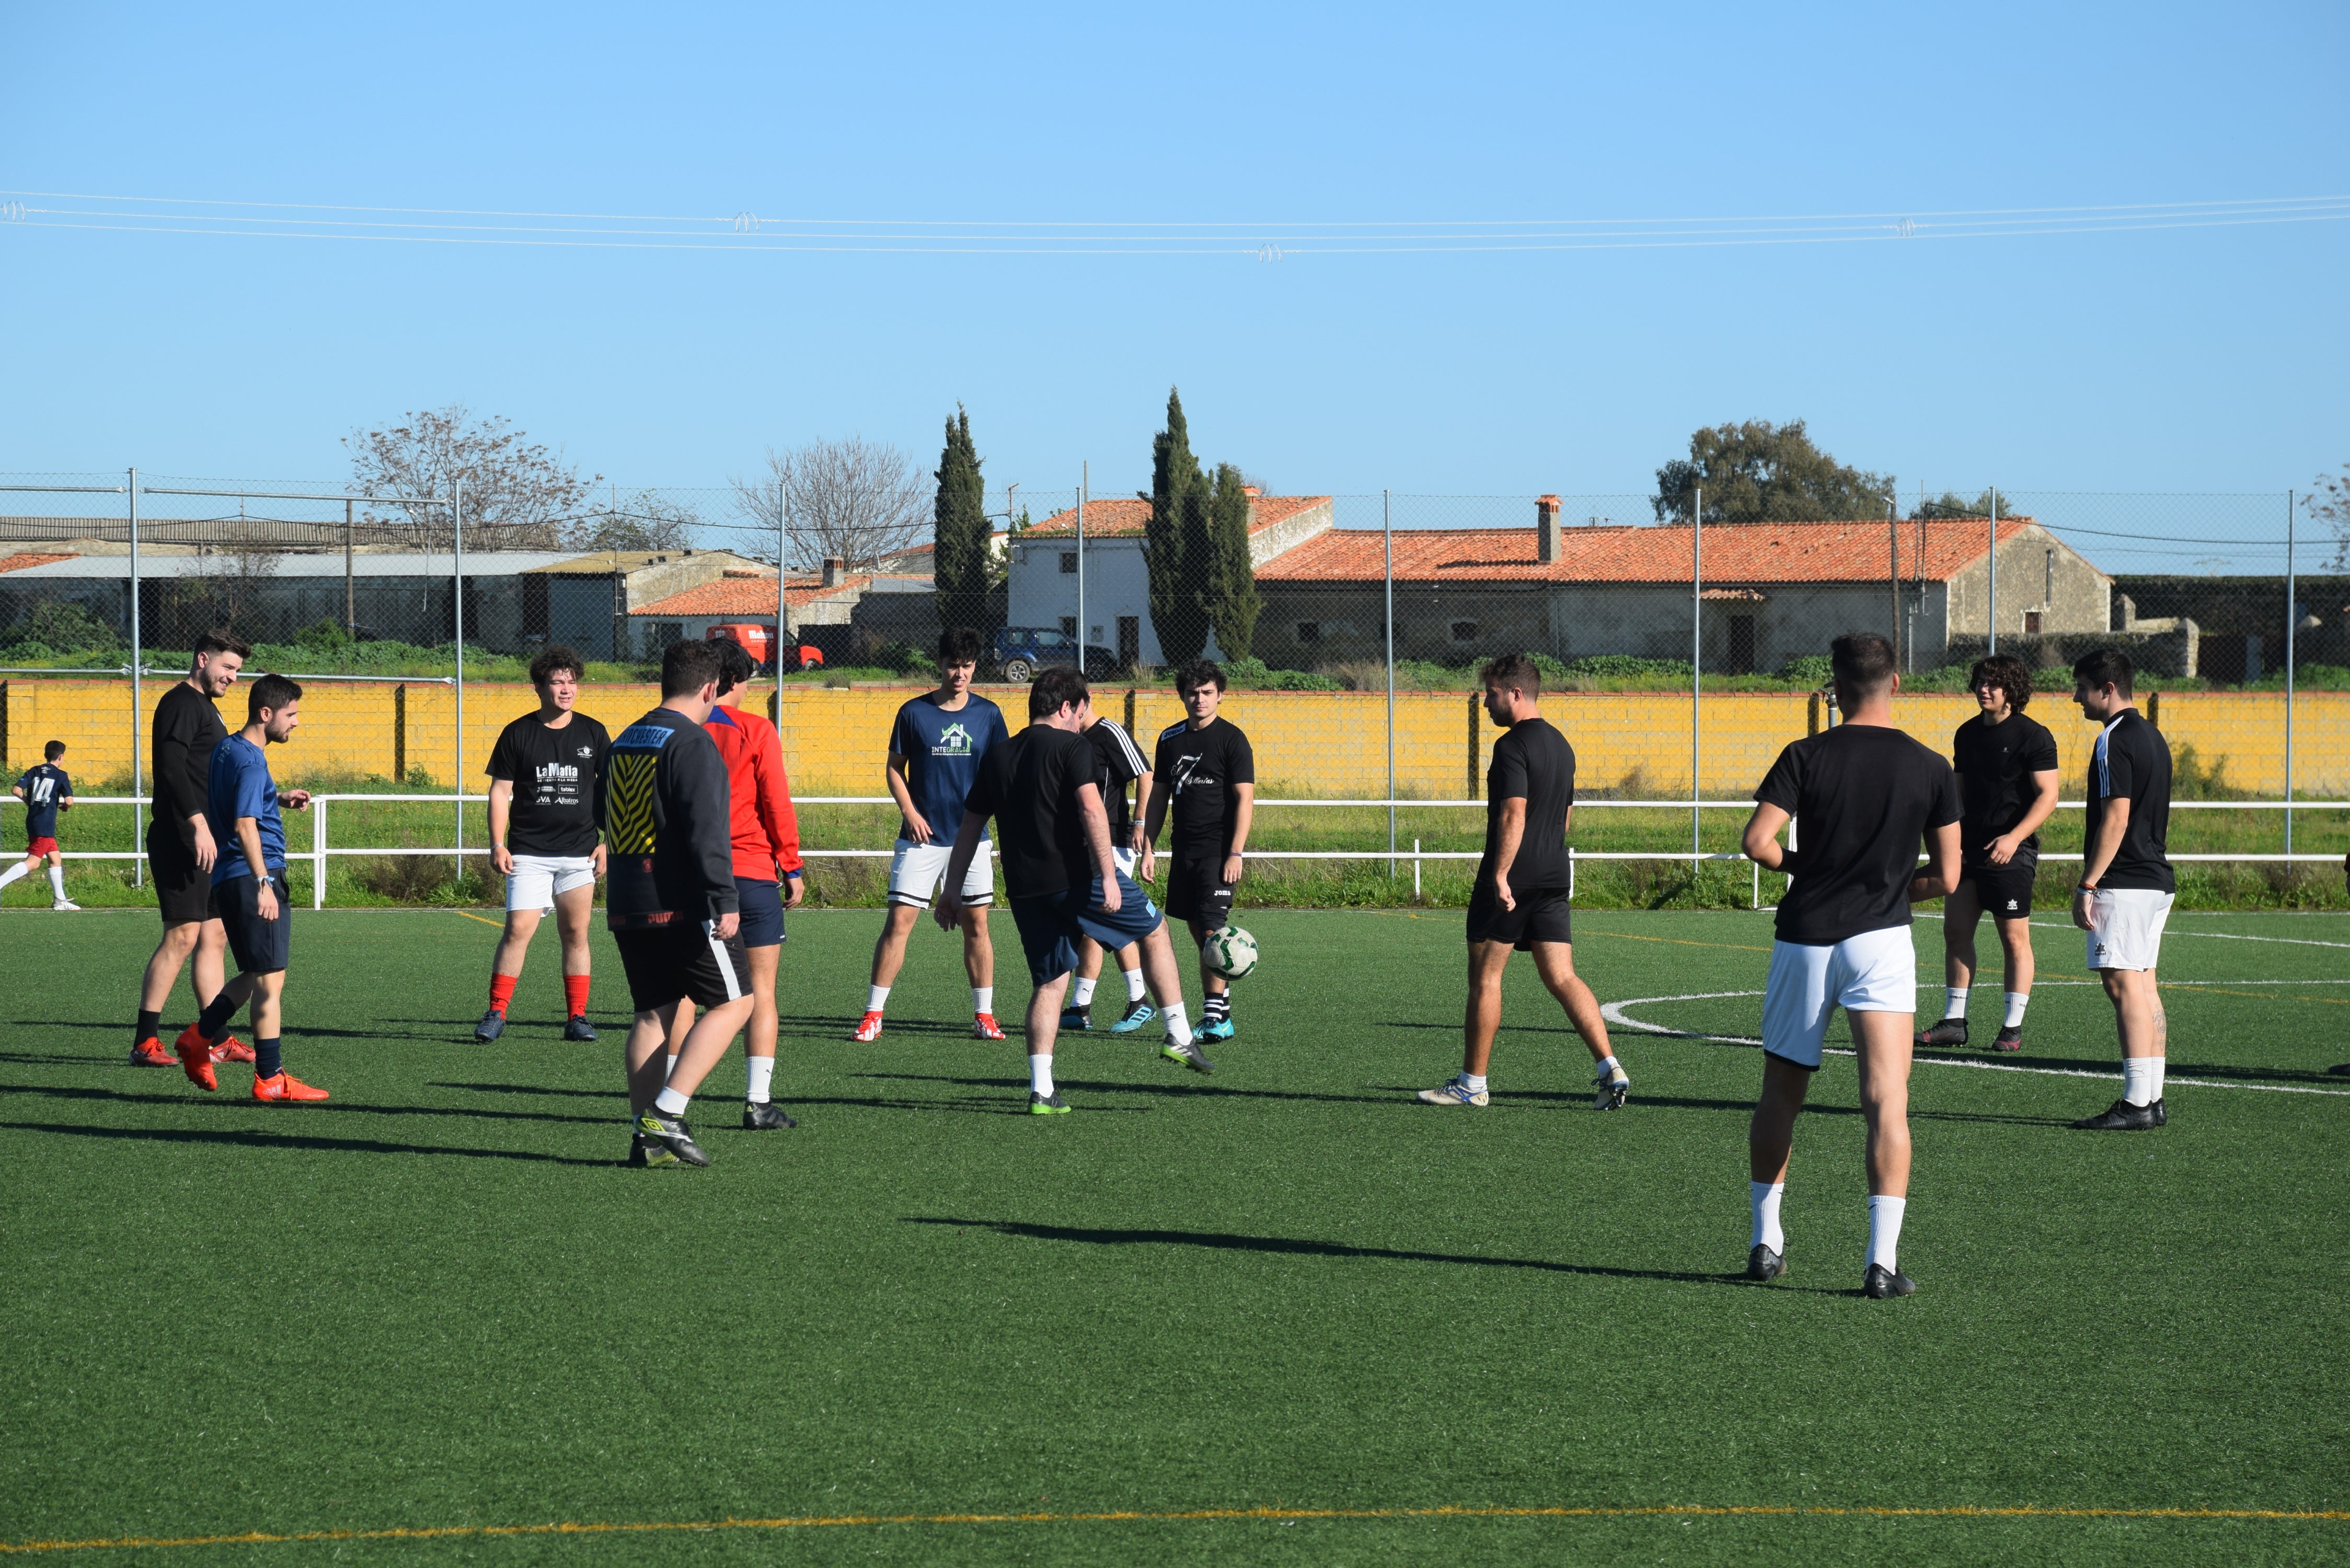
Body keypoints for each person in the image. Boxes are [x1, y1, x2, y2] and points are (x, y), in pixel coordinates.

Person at [1739, 632, 1960, 1299]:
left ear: (1833, 688)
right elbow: (1948, 876)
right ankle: (1880, 1264)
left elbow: (1757, 842)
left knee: (1780, 1092)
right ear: (1895, 683)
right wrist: (1888, 891)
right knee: (1886, 1100)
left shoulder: (1803, 754)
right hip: (1881, 941)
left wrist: (1804, 869)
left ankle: (1764, 1243)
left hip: (1804, 937)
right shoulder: (1930, 766)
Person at [935, 667, 1211, 1113]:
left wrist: (951, 891)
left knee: (1050, 984)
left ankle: (1042, 1091)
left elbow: (969, 827)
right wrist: (1109, 875)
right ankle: (1179, 1034)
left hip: (1025, 891)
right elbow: (1092, 810)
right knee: (1156, 930)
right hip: (1078, 879)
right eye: (1081, 711)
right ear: (1066, 707)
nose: (1082, 719)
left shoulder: (999, 755)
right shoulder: (1073, 746)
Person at [1419, 654, 1628, 1110]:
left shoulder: (1512, 746)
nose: (1486, 703)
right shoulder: (1562, 745)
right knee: (1563, 976)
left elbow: (1515, 813)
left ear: (1516, 694)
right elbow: (1565, 818)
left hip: (1513, 878)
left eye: (1492, 694)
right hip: (1554, 874)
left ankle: (1472, 1084)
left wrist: (1500, 874)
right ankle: (1609, 1066)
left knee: (1486, 979)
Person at [605, 641, 756, 1169]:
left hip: (627, 898)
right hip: (679, 903)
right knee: (737, 1003)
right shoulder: (693, 742)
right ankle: (667, 1113)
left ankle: (644, 1140)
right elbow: (706, 831)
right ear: (711, 688)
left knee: (654, 1016)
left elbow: (604, 814)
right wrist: (723, 898)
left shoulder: (625, 738)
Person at [666, 638, 805, 1131]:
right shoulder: (755, 729)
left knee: (683, 993)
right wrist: (791, 865)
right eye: (748, 681)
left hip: (685, 876)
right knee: (761, 991)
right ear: (733, 681)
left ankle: (669, 1099)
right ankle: (758, 1103)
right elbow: (776, 802)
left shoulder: (676, 729)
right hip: (748, 872)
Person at [853, 627, 1010, 1043]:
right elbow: (894, 768)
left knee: (978, 925)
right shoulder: (913, 712)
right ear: (939, 664)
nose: (960, 674)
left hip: (972, 841)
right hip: (920, 840)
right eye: (953, 665)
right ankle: (873, 1015)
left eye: (967, 666)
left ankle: (984, 1015)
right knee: (898, 923)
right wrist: (910, 812)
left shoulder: (989, 715)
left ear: (975, 667)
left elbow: (1002, 774)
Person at [171, 674, 325, 1102]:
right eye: (291, 714)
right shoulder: (253, 763)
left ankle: (198, 1037)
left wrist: (276, 798)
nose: (296, 722)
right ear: (266, 713)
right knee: (270, 981)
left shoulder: (228, 749)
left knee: (256, 972)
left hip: (228, 876)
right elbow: (243, 824)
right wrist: (264, 883)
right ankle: (270, 1078)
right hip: (255, 875)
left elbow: (233, 800)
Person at [1916, 654, 2061, 1053]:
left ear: (2012, 690)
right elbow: (1957, 796)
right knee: (1955, 932)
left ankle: (2012, 1028)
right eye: (1980, 681)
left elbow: (2048, 796)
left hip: (2011, 854)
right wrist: (1953, 844)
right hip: (1968, 853)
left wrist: (2013, 838)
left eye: (1993, 683)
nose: (1984, 689)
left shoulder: (2034, 736)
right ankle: (1954, 1022)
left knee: (2014, 939)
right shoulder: (1967, 733)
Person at [131, 634, 255, 1071]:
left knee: (214, 937)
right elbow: (171, 768)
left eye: (238, 671)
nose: (233, 677)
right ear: (203, 659)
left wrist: (272, 799)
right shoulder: (181, 702)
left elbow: (210, 776)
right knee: (181, 937)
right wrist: (198, 824)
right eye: (228, 667)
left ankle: (216, 1039)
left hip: (209, 841)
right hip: (182, 838)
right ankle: (145, 1042)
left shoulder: (207, 707)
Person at [476, 646, 611, 1043]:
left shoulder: (594, 732)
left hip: (580, 854)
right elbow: (500, 792)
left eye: (572, 682)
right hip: (528, 853)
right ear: (538, 687)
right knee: (518, 930)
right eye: (557, 682)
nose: (567, 689)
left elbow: (614, 791)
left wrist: (609, 842)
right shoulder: (518, 733)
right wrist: (497, 844)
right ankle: (496, 1012)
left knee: (576, 933)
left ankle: (578, 1017)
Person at [2068, 648, 2176, 1131]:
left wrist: (2088, 883)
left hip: (2125, 881)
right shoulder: (2153, 735)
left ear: (2107, 689)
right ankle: (2151, 1098)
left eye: (2082, 688)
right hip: (2154, 881)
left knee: (2123, 985)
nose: (2077, 698)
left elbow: (2116, 817)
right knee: (2144, 985)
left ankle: (2136, 1103)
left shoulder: (2112, 738)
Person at [1141, 660, 1254, 1043]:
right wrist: (1149, 848)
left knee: (1212, 931)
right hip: (1183, 850)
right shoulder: (1170, 739)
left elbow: (1245, 800)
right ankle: (1222, 1010)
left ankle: (1213, 1018)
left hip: (1218, 852)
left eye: (1207, 692)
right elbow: (1159, 797)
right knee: (1196, 928)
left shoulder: (1233, 739)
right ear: (1183, 696)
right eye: (1193, 693)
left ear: (1221, 695)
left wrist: (1235, 853)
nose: (1200, 699)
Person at [1064, 704, 1155, 1035]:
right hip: (1082, 844)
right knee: (1089, 925)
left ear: (1086, 700)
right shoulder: (1070, 737)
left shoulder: (1109, 732)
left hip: (1113, 842)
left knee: (1108, 920)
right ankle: (1081, 1008)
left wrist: (1140, 824)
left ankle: (1139, 1000)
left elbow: (1145, 774)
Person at [4, 741, 79, 910]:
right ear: (61, 757)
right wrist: (66, 807)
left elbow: (16, 790)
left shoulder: (35, 770)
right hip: (46, 823)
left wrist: (29, 802)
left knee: (55, 859)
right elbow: (69, 801)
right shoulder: (61, 775)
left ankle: (60, 900)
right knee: (33, 863)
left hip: (33, 820)